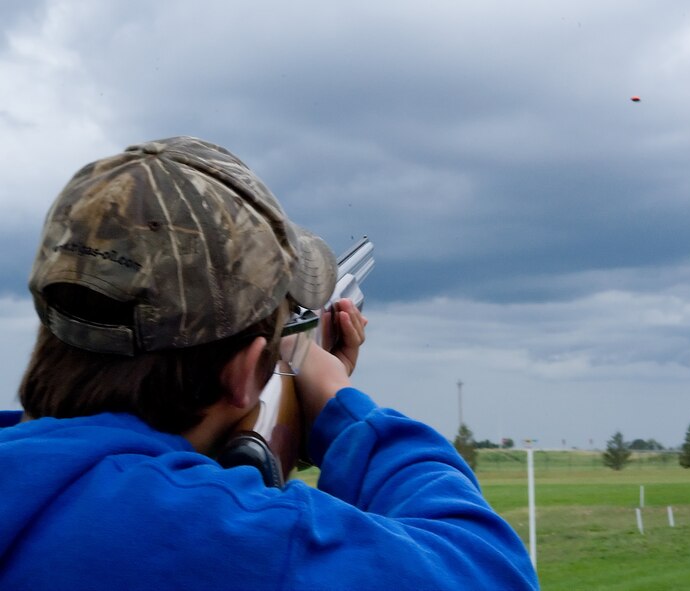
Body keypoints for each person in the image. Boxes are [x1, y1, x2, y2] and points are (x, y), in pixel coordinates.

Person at [0, 136, 539, 590]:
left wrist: (271, 438)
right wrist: (340, 408)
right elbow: (491, 569)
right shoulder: (229, 539)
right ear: (244, 372)